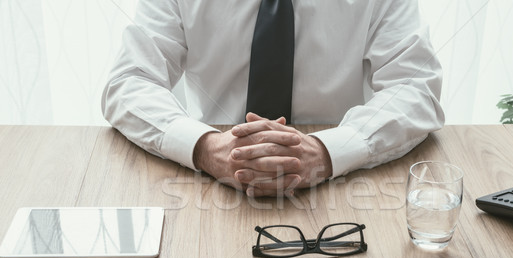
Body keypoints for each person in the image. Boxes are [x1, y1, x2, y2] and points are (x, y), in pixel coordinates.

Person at [102, 0, 444, 197]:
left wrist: (327, 151)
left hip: (339, 186)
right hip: (210, 183)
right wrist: (204, 147)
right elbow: (130, 81)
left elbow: (415, 88)